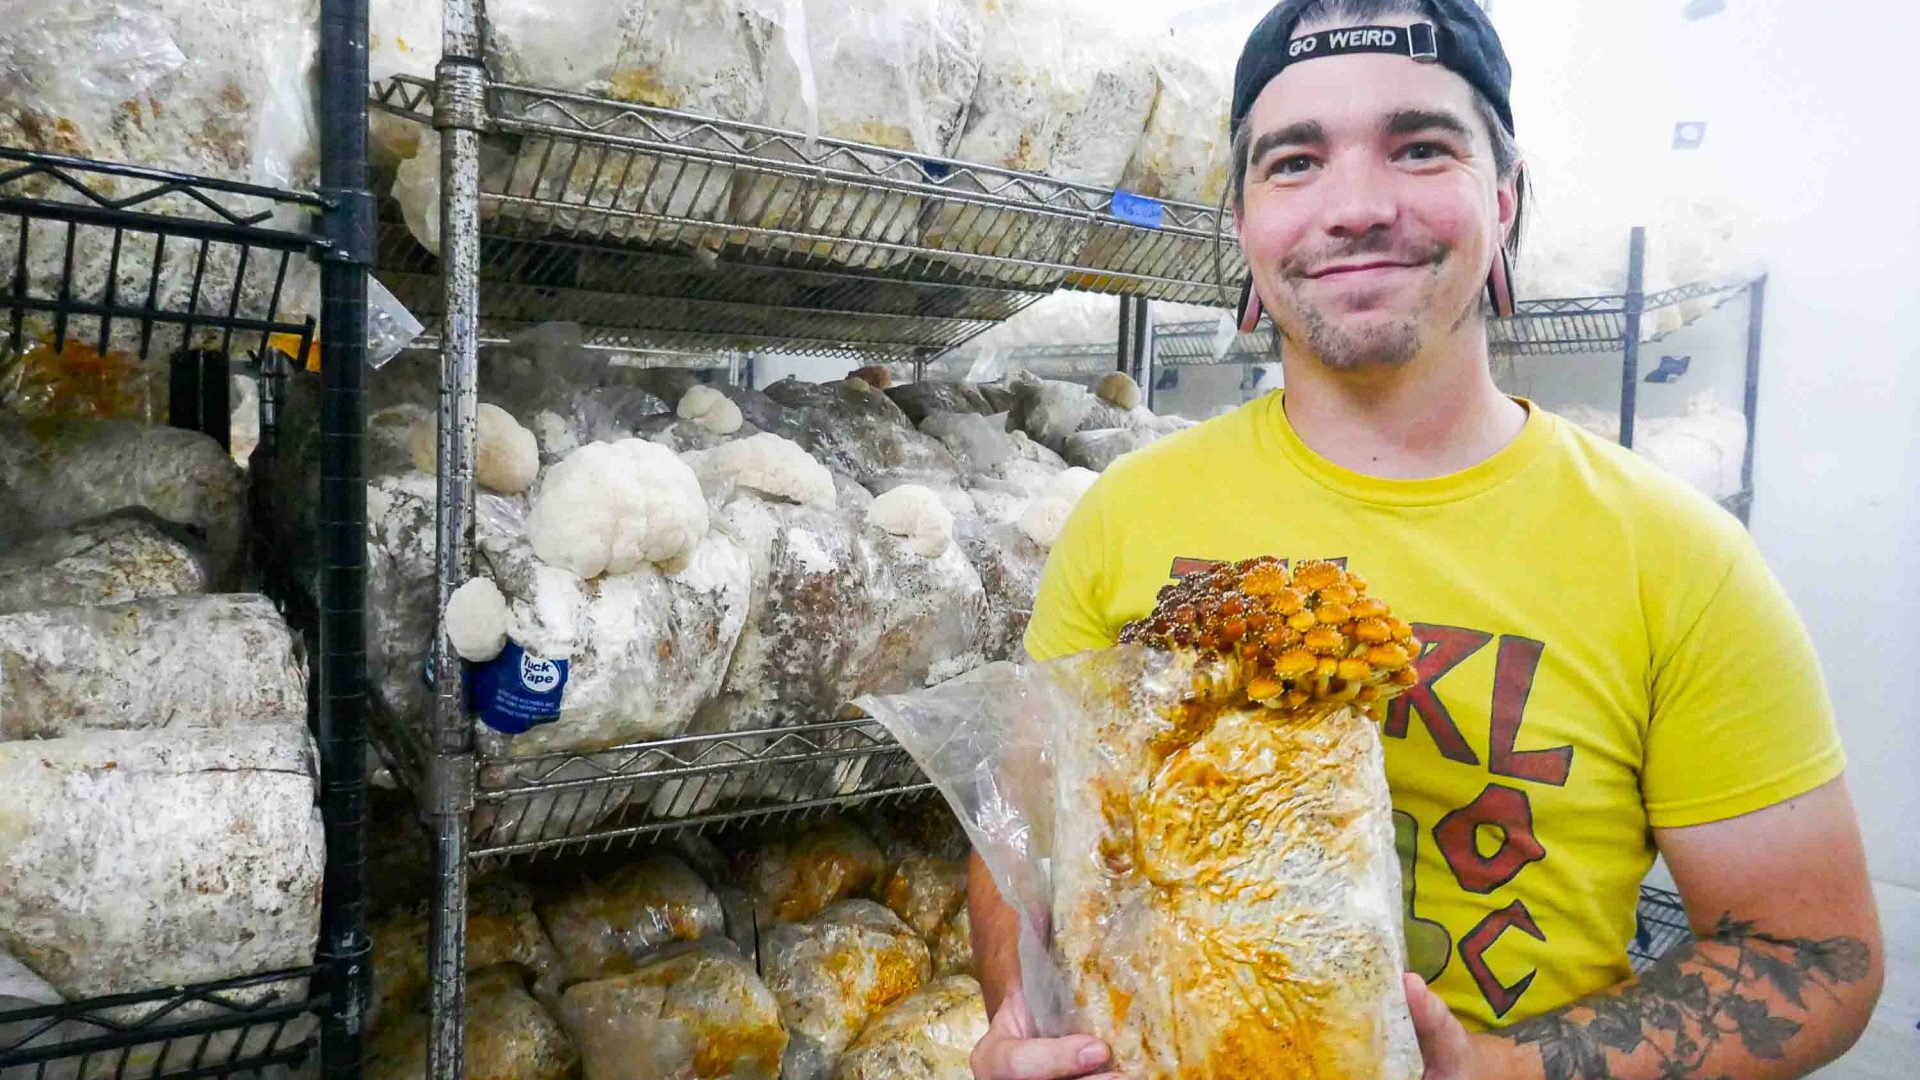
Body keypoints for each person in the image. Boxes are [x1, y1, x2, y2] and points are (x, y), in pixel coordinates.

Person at [966, 2, 1884, 1078]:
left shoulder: (1673, 556)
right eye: (1295, 160)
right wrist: (1025, 1020)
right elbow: (1020, 849)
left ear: (1503, 196)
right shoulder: (1127, 514)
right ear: (1243, 219)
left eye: (1419, 147)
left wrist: (1501, 1071)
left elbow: (1814, 958)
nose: (1354, 207)